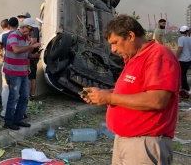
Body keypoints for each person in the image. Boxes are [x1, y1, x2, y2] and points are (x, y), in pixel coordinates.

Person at [82, 14, 180, 164]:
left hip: (144, 145)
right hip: (126, 141)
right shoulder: (134, 58)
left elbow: (157, 100)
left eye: (115, 43)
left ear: (131, 35)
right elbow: (134, 92)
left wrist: (109, 98)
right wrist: (104, 94)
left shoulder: (158, 55)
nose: (113, 49)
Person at [3, 18, 41, 130]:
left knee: (24, 97)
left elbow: (24, 54)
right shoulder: (13, 36)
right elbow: (16, 50)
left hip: (23, 72)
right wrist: (32, 46)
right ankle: (8, 122)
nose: (30, 32)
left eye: (32, 30)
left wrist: (33, 55)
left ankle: (18, 119)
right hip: (13, 72)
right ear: (23, 26)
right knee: (13, 97)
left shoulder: (26, 38)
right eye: (30, 29)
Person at [0, 17, 19, 118]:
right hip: (18, 66)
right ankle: (16, 111)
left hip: (7, 66)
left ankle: (5, 112)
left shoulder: (2, 36)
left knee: (5, 89)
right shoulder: (20, 35)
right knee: (16, 89)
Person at [17, 12, 40, 99]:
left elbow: (33, 42)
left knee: (30, 76)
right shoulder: (23, 33)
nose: (21, 19)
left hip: (31, 55)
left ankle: (30, 96)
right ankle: (31, 96)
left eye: (23, 17)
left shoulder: (32, 29)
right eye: (20, 17)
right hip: (31, 55)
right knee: (31, 76)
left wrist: (28, 54)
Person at [176, 25, 191, 99]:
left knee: (182, 75)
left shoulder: (181, 39)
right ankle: (185, 88)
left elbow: (180, 49)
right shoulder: (190, 39)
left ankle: (185, 89)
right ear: (187, 32)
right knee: (184, 74)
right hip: (189, 59)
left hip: (182, 60)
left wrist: (176, 57)